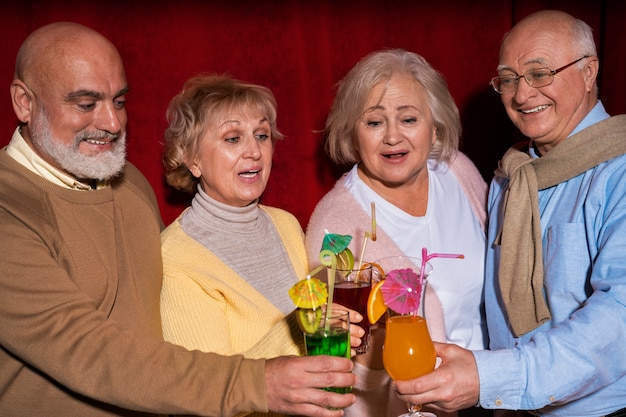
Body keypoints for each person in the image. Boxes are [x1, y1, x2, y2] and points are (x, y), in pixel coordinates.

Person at [0, 21, 357, 417]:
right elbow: (88, 347)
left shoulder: (127, 182)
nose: (113, 124)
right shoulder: (8, 209)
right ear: (24, 102)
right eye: (86, 104)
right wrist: (260, 382)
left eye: (119, 102)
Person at [394, 10, 626, 417]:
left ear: (589, 72)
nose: (521, 95)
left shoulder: (619, 171)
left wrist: (491, 377)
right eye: (508, 79)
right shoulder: (509, 176)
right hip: (508, 407)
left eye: (539, 73)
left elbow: (620, 318)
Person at [159, 74, 365, 417]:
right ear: (191, 159)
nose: (254, 151)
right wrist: (301, 328)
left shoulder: (285, 223)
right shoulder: (176, 258)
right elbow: (205, 396)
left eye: (262, 135)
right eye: (233, 137)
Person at [305, 48, 489, 417]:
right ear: (353, 133)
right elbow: (337, 355)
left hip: (492, 393)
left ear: (434, 127)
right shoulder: (335, 226)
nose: (392, 137)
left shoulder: (458, 173)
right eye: (374, 122)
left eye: (408, 119)